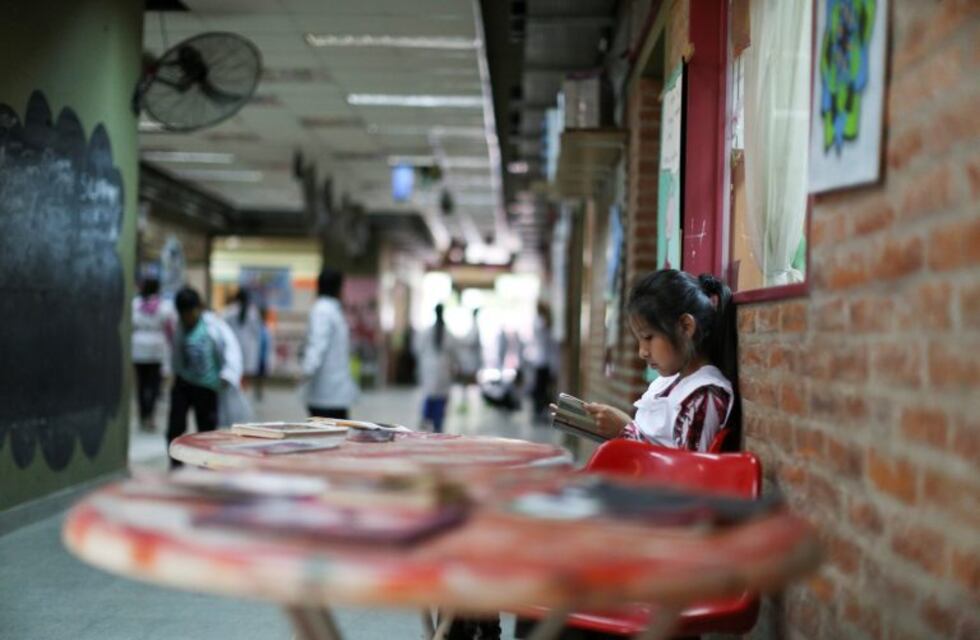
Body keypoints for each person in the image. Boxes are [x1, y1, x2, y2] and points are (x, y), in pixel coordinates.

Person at [582, 269, 739, 452]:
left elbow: (688, 474)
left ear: (686, 327)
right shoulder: (667, 381)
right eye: (639, 340)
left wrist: (624, 430)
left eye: (648, 337)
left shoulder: (705, 395)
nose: (642, 352)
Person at [168, 287, 243, 467]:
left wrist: (228, 375)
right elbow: (176, 356)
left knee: (206, 431)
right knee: (175, 427)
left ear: (198, 308)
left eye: (190, 313)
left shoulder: (213, 325)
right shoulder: (180, 328)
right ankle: (175, 465)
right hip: (184, 382)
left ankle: (206, 466)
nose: (187, 318)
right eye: (183, 314)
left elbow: (232, 351)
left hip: (207, 387)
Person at [302, 267, 358, 419]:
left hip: (333, 392)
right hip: (325, 394)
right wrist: (306, 370)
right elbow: (317, 344)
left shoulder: (330, 310)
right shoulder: (323, 310)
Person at [131, 277, 174, 432]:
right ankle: (151, 415)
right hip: (157, 347)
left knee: (141, 384)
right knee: (154, 384)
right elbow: (170, 328)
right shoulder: (164, 306)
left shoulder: (135, 304)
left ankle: (142, 414)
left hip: (138, 347)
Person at [413, 304, 457, 433]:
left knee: (433, 395)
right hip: (439, 367)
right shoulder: (445, 333)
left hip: (433, 367)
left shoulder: (429, 332)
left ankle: (430, 421)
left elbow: (417, 348)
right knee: (436, 396)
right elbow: (454, 352)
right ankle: (434, 422)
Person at [222, 288, 263, 385]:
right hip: (248, 348)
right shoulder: (253, 312)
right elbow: (257, 332)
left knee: (234, 372)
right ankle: (243, 395)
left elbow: (222, 327)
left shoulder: (230, 311)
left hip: (234, 346)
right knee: (245, 376)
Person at [528, 302, 556, 421]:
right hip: (542, 361)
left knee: (541, 388)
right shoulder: (541, 321)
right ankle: (539, 412)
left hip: (542, 360)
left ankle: (539, 411)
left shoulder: (540, 321)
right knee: (541, 389)